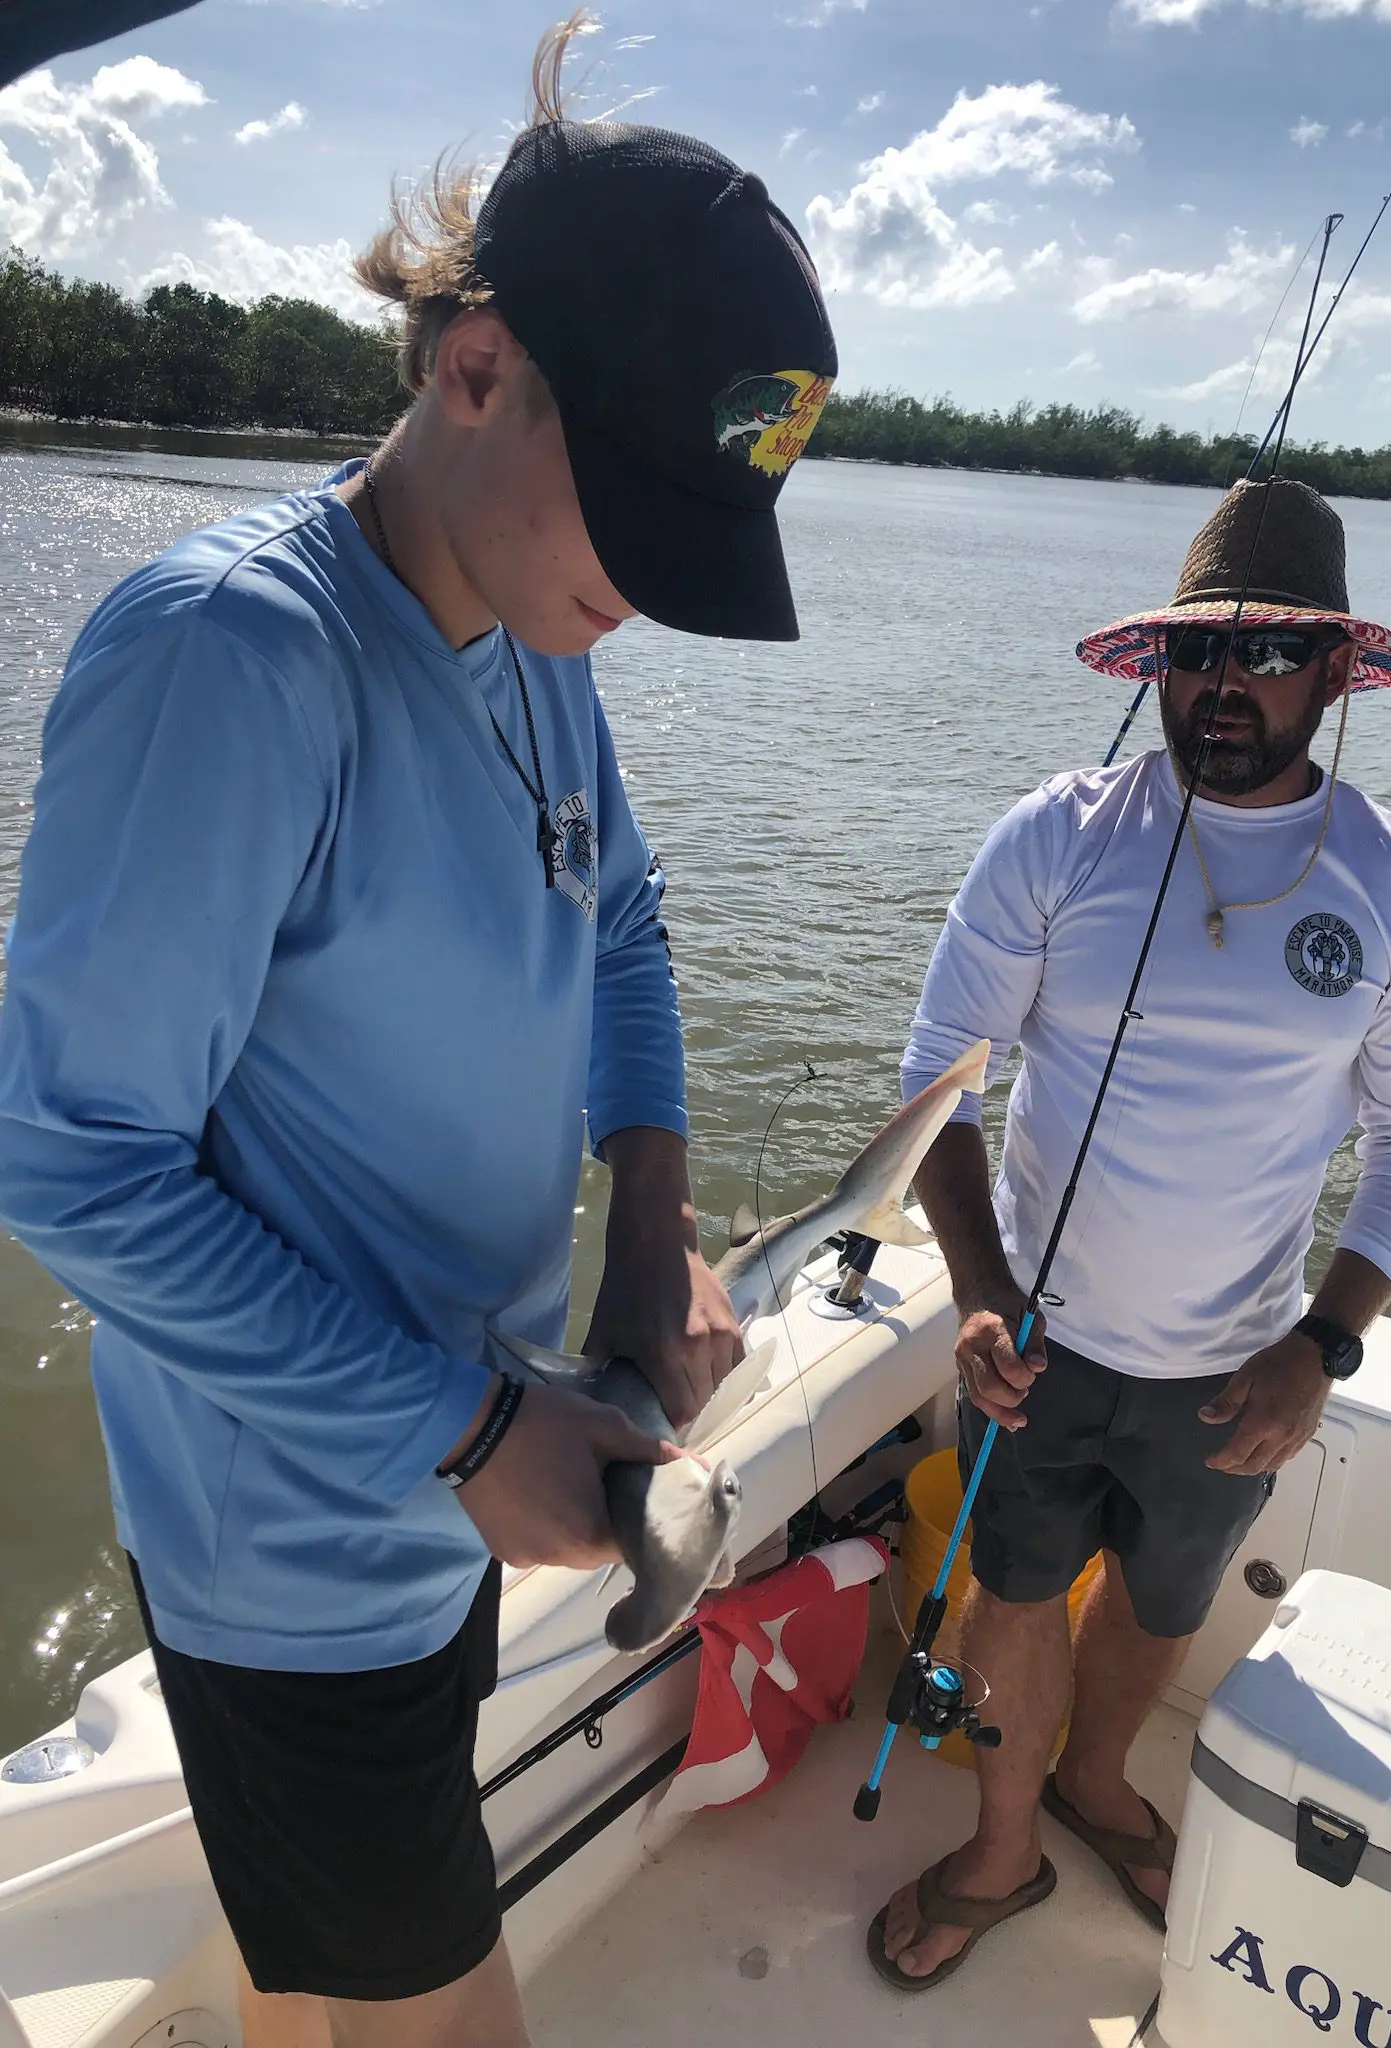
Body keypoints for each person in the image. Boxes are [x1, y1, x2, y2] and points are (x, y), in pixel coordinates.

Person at [0, 22, 837, 2047]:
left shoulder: (529, 638)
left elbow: (621, 918)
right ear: (474, 368)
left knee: (328, 1985)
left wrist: (651, 1210)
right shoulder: (233, 661)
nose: (642, 593)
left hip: (456, 1484)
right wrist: (458, 1431)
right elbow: (66, 1158)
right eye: (629, 514)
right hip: (298, 1560)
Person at [869, 476, 1391, 1990]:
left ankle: (1096, 1780)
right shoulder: (1055, 838)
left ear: (1339, 673)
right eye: (1200, 653)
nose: (1226, 687)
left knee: (1160, 1603)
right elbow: (940, 1080)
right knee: (1015, 1594)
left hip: (1240, 1368)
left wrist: (1324, 1348)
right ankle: (1007, 1848)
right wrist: (983, 1291)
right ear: (1159, 664)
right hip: (1040, 1351)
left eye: (1273, 656)